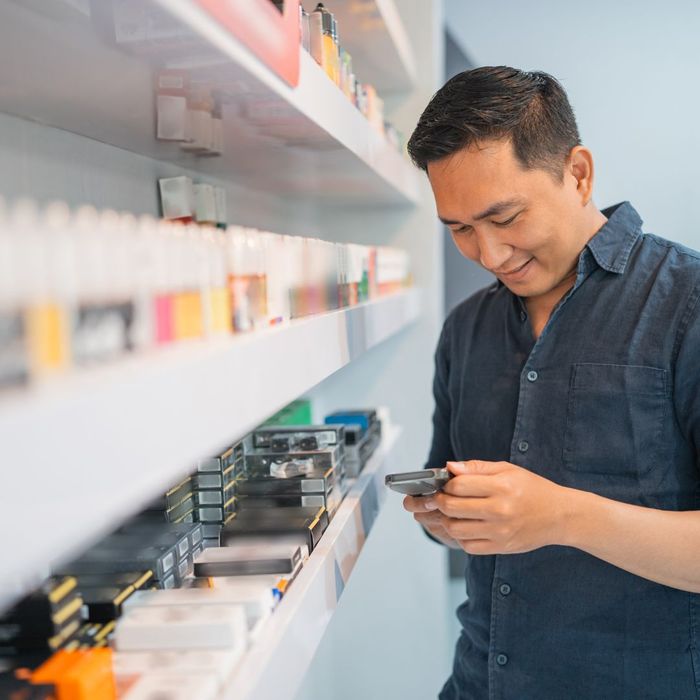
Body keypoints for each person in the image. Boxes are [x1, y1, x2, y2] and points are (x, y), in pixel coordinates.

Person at [404, 66, 700, 699]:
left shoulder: (688, 306)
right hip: (479, 681)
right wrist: (448, 515)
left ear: (579, 173)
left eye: (504, 217)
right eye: (458, 228)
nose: (488, 254)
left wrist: (561, 516)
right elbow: (440, 510)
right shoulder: (465, 330)